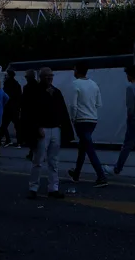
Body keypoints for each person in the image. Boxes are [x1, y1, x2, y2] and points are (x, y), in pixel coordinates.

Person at [25, 67, 72, 199]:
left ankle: (52, 188)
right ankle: (35, 187)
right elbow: (30, 112)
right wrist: (37, 127)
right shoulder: (38, 92)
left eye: (50, 76)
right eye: (47, 76)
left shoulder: (55, 92)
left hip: (54, 128)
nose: (49, 78)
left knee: (52, 161)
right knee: (39, 160)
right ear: (41, 77)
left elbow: (62, 111)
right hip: (44, 128)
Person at [68, 62, 108, 187]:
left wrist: (72, 118)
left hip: (81, 120)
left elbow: (73, 105)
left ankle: (101, 176)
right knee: (83, 146)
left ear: (77, 71)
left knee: (88, 148)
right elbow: (98, 104)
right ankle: (76, 174)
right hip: (92, 119)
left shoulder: (75, 84)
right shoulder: (94, 84)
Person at [20, 70, 40, 158]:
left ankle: (33, 152)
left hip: (29, 114)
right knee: (36, 135)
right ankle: (34, 152)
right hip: (36, 113)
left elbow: (24, 102)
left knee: (31, 134)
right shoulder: (39, 86)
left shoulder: (27, 87)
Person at [0, 69, 22, 147]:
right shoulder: (17, 84)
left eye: (6, 75)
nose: (5, 76)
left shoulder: (7, 84)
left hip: (8, 107)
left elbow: (5, 96)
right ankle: (19, 141)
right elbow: (19, 97)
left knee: (4, 124)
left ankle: (6, 140)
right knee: (17, 125)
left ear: (9, 75)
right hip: (15, 108)